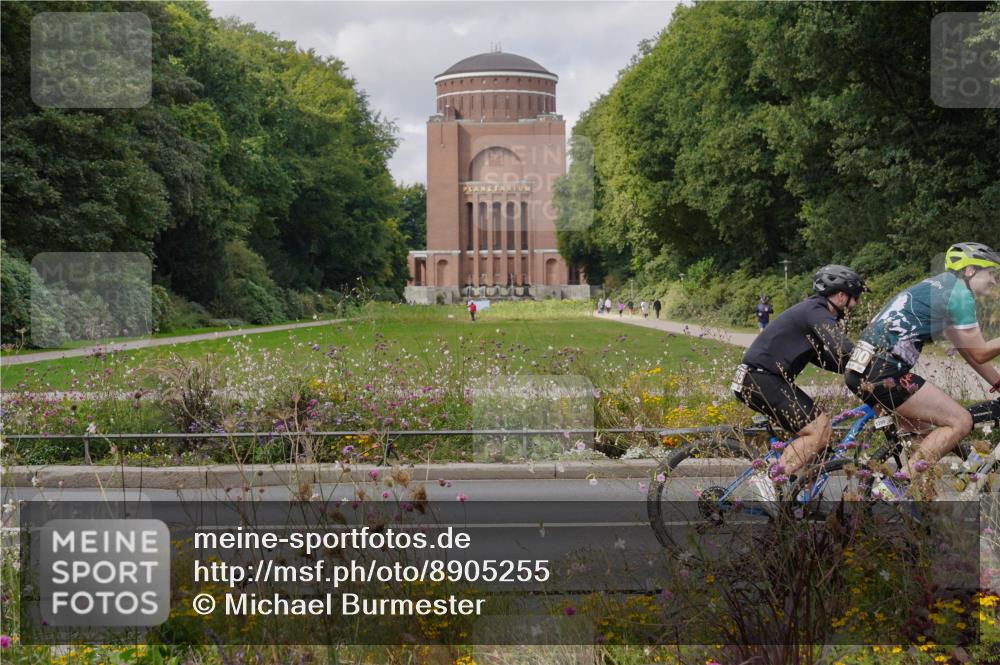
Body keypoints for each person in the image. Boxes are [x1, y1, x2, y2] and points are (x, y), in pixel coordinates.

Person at [845, 242, 1000, 490]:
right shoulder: (959, 295)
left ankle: (923, 516)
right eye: (990, 272)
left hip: (859, 370)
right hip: (885, 372)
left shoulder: (937, 287)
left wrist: (997, 383)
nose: (993, 280)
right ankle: (894, 488)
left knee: (925, 442)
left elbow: (970, 353)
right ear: (970, 270)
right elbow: (981, 353)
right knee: (960, 421)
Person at [732, 265, 866, 514]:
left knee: (821, 442)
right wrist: (870, 357)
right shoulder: (816, 311)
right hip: (761, 379)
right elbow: (843, 348)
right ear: (839, 296)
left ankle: (798, 502)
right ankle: (771, 479)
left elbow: (830, 359)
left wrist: (860, 369)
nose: (855, 305)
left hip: (764, 379)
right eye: (854, 298)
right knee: (819, 430)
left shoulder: (811, 312)